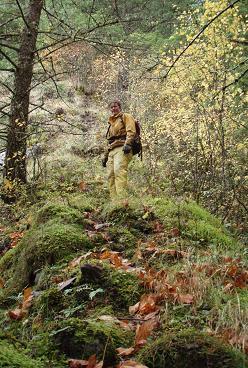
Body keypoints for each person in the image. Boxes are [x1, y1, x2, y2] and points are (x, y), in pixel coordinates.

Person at [102, 100, 136, 200]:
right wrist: (105, 156)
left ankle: (122, 200)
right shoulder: (111, 122)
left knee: (119, 171)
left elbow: (131, 131)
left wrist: (128, 144)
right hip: (112, 151)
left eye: (115, 106)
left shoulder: (125, 116)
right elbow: (109, 141)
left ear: (119, 107)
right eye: (111, 107)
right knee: (110, 175)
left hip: (122, 148)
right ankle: (114, 201)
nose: (113, 108)